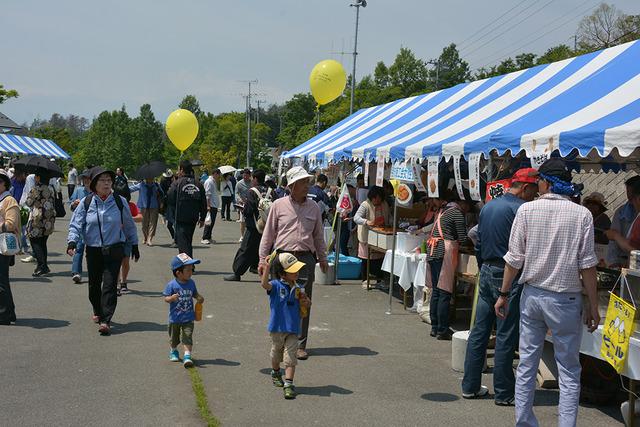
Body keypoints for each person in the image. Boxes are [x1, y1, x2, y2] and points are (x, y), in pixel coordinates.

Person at [494, 158, 600, 427]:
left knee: (528, 364)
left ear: (547, 183)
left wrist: (503, 294)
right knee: (568, 370)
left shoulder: (527, 211)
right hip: (566, 299)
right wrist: (593, 305)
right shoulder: (582, 214)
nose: (537, 184)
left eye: (540, 180)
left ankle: (525, 422)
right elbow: (587, 265)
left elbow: (514, 259)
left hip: (533, 295)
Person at [461, 168, 538, 404]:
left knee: (479, 331)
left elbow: (478, 239)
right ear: (525, 187)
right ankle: (504, 393)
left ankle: (470, 385)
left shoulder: (489, 206)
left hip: (486, 270)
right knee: (505, 334)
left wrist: (484, 265)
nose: (535, 195)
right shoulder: (521, 209)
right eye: (534, 190)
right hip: (508, 275)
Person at [258, 166, 328, 360]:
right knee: (280, 300)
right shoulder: (278, 205)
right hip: (281, 258)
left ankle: (299, 344)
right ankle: (280, 339)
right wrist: (262, 260)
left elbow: (318, 236)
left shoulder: (314, 207)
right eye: (303, 182)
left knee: (302, 300)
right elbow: (268, 234)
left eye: (307, 181)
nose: (307, 185)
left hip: (305, 258)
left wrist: (322, 258)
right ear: (292, 186)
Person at [67, 167, 140, 335]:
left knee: (109, 284)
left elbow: (129, 225)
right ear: (94, 184)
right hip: (93, 250)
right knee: (94, 286)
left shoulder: (120, 201)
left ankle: (106, 320)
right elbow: (76, 224)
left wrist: (134, 245)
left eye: (109, 180)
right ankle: (98, 310)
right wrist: (72, 241)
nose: (107, 184)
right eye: (103, 181)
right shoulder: (86, 202)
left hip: (115, 249)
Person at [261, 252, 311, 399]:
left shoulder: (298, 288)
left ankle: (289, 384)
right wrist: (267, 268)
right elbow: (264, 285)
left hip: (293, 329)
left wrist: (306, 302)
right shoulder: (276, 285)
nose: (296, 272)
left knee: (290, 357)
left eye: (297, 269)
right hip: (277, 328)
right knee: (276, 354)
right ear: (283, 272)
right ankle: (276, 372)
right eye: (293, 269)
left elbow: (307, 303)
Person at [425, 190, 469, 340]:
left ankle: (435, 327)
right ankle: (442, 329)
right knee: (444, 291)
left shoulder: (442, 211)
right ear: (461, 202)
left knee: (437, 291)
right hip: (444, 252)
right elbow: (462, 237)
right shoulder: (456, 212)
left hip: (433, 251)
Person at [224, 170, 268, 281]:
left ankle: (237, 272)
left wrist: (243, 209)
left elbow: (249, 210)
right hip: (268, 226)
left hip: (254, 225)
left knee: (246, 249)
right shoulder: (271, 191)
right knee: (263, 248)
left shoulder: (252, 192)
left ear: (255, 179)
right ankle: (256, 267)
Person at [163, 253, 204, 368]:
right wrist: (171, 298)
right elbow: (166, 298)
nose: (191, 272)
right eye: (188, 270)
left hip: (188, 317)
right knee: (174, 338)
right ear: (178, 272)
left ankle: (187, 356)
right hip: (175, 317)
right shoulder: (171, 285)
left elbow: (194, 293)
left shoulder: (191, 283)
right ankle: (174, 350)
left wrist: (199, 297)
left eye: (192, 269)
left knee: (188, 336)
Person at [353, 186, 392, 289]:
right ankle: (365, 280)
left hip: (381, 234)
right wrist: (366, 222)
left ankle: (380, 280)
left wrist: (391, 223)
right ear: (372, 197)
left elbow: (389, 216)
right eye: (376, 198)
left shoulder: (384, 204)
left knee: (379, 259)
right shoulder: (365, 205)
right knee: (366, 259)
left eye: (379, 198)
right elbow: (356, 218)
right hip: (367, 236)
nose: (378, 200)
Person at [167, 160, 207, 258]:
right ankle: (188, 264)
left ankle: (187, 265)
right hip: (193, 217)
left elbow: (170, 198)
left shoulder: (177, 183)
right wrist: (202, 217)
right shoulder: (198, 184)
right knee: (188, 240)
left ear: (182, 170)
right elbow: (203, 203)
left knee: (183, 242)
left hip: (180, 217)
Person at [24, 171, 56, 277]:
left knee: (34, 241)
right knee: (42, 242)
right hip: (49, 218)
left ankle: (42, 266)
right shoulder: (51, 188)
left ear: (38, 178)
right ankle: (43, 266)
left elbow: (28, 202)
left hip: (38, 219)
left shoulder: (36, 189)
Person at [0, 169, 21, 325]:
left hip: (3, 245)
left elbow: (11, 223)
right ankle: (9, 311)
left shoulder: (9, 200)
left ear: (5, 183)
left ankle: (5, 314)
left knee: (1, 280)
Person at [115, 185, 143, 295]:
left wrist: (128, 218)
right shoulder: (112, 205)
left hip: (127, 238)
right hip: (114, 238)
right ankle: (116, 283)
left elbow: (140, 217)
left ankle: (124, 282)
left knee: (125, 261)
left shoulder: (131, 206)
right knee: (116, 262)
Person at [607, 176, 640, 266]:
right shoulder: (622, 211)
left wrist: (616, 236)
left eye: (632, 198)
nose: (629, 198)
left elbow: (633, 250)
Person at [69, 170, 92, 283]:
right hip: (80, 225)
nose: (86, 181)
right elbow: (71, 205)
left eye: (89, 179)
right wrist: (74, 204)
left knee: (92, 251)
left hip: (93, 226)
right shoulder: (78, 190)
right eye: (85, 179)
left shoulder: (96, 193)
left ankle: (94, 271)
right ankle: (76, 272)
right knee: (78, 249)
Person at [130, 178, 163, 246]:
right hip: (143, 206)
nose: (150, 178)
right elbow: (131, 189)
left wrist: (158, 192)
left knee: (153, 223)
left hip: (154, 206)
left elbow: (162, 193)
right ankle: (145, 236)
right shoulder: (141, 185)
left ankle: (149, 238)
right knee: (144, 224)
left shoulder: (156, 185)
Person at [201, 169, 220, 245]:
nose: (219, 176)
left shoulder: (213, 181)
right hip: (211, 205)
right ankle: (205, 237)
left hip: (214, 205)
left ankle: (209, 237)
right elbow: (207, 194)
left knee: (211, 222)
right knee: (209, 222)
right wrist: (208, 205)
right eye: (218, 174)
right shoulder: (209, 181)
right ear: (215, 173)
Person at [235, 168, 252, 242]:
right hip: (243, 204)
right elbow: (236, 193)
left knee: (250, 220)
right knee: (242, 221)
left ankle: (249, 235)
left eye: (247, 176)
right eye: (244, 176)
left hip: (251, 204)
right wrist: (239, 200)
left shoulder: (252, 183)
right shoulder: (239, 183)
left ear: (249, 176)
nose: (245, 177)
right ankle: (242, 236)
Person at [160, 169, 176, 243]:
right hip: (168, 204)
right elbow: (161, 193)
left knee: (173, 224)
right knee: (170, 224)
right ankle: (175, 238)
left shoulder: (176, 184)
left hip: (173, 205)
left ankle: (176, 239)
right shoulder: (163, 181)